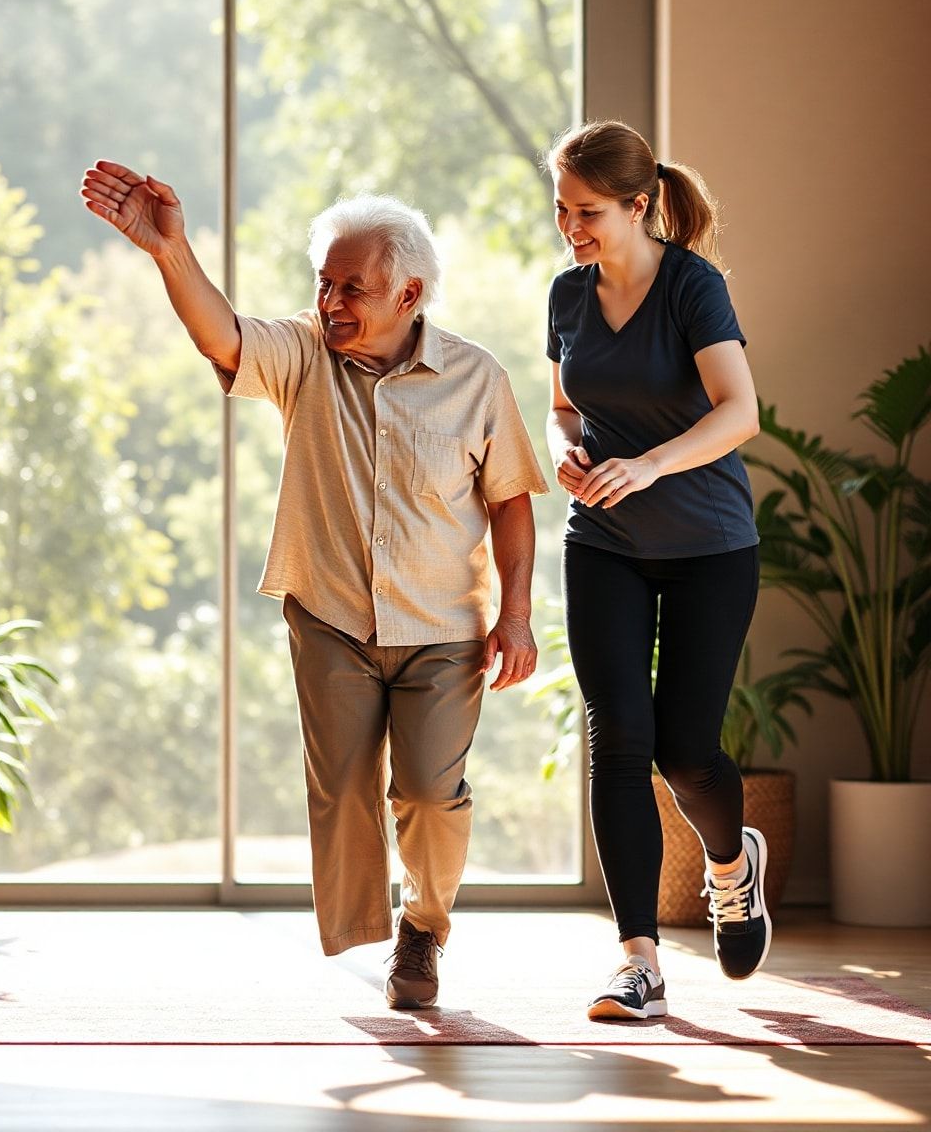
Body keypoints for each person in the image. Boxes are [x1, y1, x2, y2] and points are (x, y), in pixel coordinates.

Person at [81, 161, 548, 1009]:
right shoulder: (302, 353)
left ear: (409, 293)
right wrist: (170, 253)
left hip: (443, 626)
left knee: (429, 795)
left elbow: (511, 501)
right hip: (331, 616)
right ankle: (375, 931)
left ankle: (424, 928)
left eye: (352, 288)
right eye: (324, 283)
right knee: (341, 790)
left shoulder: (478, 380)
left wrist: (515, 617)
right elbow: (222, 336)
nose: (331, 301)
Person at [543, 120, 767, 1022]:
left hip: (710, 544)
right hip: (603, 544)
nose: (571, 228)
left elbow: (739, 411)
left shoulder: (691, 287)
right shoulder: (566, 293)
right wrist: (567, 450)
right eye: (562, 209)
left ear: (639, 205)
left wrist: (650, 464)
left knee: (685, 751)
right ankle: (638, 960)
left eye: (588, 211)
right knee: (618, 738)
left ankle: (731, 866)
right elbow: (564, 405)